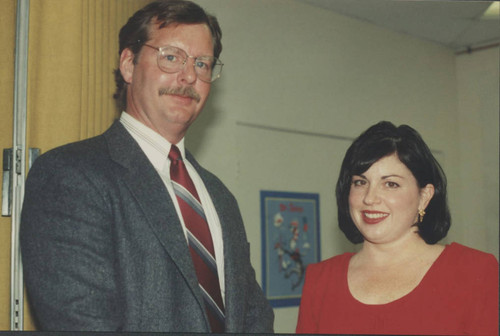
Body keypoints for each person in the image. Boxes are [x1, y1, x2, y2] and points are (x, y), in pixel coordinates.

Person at [20, 0, 274, 332]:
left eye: (202, 63)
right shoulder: (69, 175)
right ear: (128, 64)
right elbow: (80, 323)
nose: (188, 76)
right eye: (171, 57)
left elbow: (254, 315)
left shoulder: (220, 197)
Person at [296, 121, 498, 335]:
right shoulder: (321, 279)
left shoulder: (475, 271)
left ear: (424, 197)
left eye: (391, 184)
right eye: (360, 182)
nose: (369, 198)